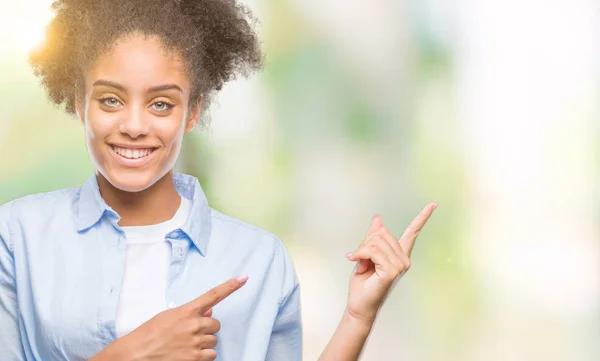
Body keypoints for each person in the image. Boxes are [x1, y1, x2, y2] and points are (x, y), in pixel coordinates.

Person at [0, 0, 437, 360]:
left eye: (161, 105)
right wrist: (138, 350)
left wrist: (357, 318)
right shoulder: (20, 236)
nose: (134, 126)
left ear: (192, 111)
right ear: (80, 102)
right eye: (111, 100)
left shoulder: (257, 258)